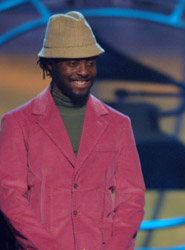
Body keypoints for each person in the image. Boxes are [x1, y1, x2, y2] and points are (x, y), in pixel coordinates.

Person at [0, 11, 145, 250]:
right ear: (50, 65)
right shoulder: (18, 123)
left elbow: (132, 196)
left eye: (90, 62)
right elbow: (10, 197)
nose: (84, 71)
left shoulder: (118, 124)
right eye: (73, 63)